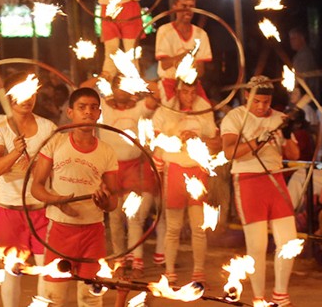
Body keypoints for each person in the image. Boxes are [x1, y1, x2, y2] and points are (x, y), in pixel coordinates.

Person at [31, 87, 119, 307]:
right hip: (60, 230)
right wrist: (57, 201)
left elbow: (113, 201)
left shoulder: (106, 151)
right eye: (82, 107)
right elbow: (36, 187)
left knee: (91, 297)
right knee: (54, 297)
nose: (88, 112)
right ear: (70, 112)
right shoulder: (55, 143)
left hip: (93, 232)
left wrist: (104, 201)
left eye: (93, 108)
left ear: (99, 114)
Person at [221, 76, 301, 307]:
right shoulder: (235, 117)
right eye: (257, 101)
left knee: (289, 241)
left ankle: (281, 295)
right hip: (248, 180)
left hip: (275, 180)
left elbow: (294, 155)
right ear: (247, 96)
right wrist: (259, 140)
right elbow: (229, 152)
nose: (262, 107)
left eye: (266, 102)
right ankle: (258, 299)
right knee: (257, 245)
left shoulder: (278, 118)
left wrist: (286, 136)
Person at [0, 73, 57, 307]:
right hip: (10, 209)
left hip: (41, 209)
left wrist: (39, 168)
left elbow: (57, 167)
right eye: (21, 94)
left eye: (31, 93)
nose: (28, 99)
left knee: (46, 269)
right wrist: (15, 153)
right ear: (10, 97)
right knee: (12, 270)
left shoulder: (48, 127)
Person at [152, 81, 220, 285]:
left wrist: (196, 138)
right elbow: (155, 139)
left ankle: (198, 272)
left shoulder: (203, 110)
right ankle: (169, 271)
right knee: (173, 227)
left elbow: (215, 141)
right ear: (178, 92)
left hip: (197, 169)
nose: (189, 97)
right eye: (185, 92)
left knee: (199, 228)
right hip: (174, 169)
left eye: (192, 92)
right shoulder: (165, 111)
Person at [99, 78, 159, 278]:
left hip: (134, 167)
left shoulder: (139, 108)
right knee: (115, 218)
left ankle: (137, 262)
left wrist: (137, 79)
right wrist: (103, 76)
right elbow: (81, 89)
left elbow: (157, 93)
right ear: (112, 88)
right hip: (111, 169)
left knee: (133, 217)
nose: (122, 90)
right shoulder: (103, 108)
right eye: (118, 86)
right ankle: (119, 260)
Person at [154, 0, 211, 103]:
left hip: (192, 85)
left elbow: (201, 71)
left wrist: (192, 66)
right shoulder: (164, 31)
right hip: (170, 82)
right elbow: (164, 64)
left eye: (191, 6)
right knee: (171, 112)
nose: (188, 10)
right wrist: (184, 56)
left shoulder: (201, 34)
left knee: (206, 111)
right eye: (184, 6)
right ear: (174, 6)